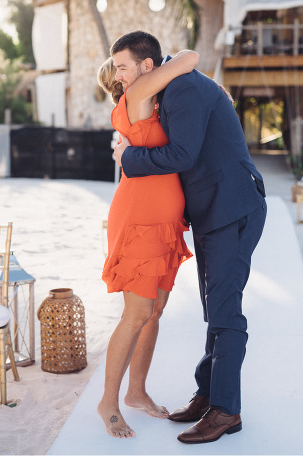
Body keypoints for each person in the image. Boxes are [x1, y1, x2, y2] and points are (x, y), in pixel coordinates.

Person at [112, 30, 266, 444]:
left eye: (124, 66)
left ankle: (226, 410)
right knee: (214, 306)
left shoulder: (182, 89)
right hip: (214, 209)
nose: (117, 75)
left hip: (231, 207)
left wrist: (128, 157)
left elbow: (183, 155)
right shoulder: (179, 84)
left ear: (148, 67)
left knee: (226, 312)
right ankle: (208, 393)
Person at [96, 49, 199, 438]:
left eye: (127, 69)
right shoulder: (136, 96)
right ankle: (108, 401)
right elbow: (187, 57)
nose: (125, 77)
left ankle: (136, 392)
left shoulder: (151, 106)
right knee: (137, 312)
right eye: (120, 71)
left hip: (165, 219)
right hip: (140, 218)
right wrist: (152, 67)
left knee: (154, 310)